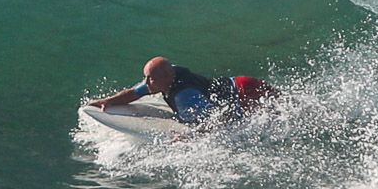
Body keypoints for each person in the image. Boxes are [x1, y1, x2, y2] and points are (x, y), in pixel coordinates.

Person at [87, 56, 280, 124]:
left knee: (283, 113)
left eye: (150, 78)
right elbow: (133, 92)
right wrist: (109, 101)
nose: (146, 83)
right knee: (287, 105)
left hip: (243, 92)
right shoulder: (167, 75)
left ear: (165, 78)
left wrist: (189, 136)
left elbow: (214, 122)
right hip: (239, 82)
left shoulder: (185, 96)